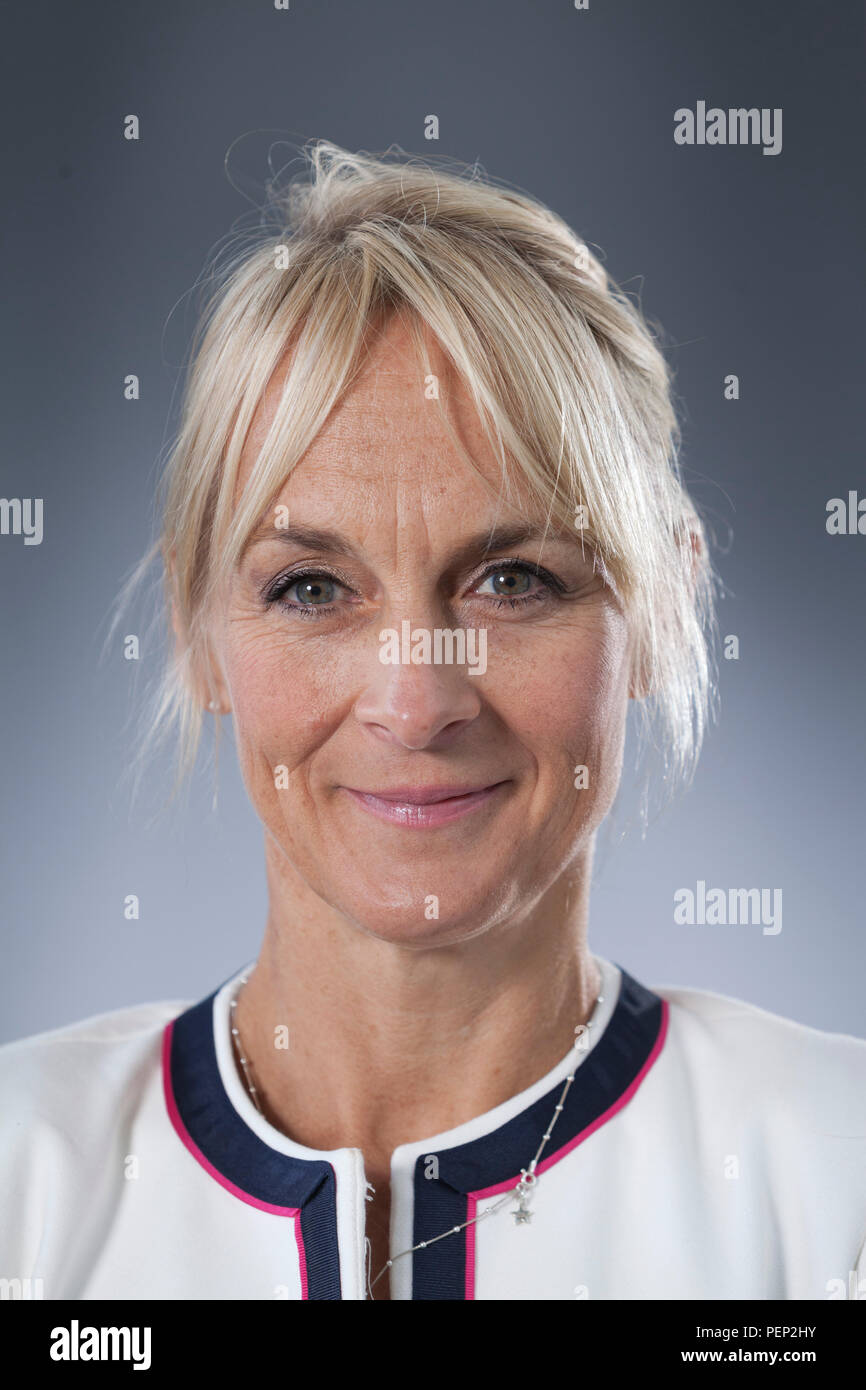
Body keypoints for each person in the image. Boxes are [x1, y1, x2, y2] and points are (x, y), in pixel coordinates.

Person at [1, 141, 863, 1301]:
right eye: (311, 588)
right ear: (198, 632)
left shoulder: (830, 1176)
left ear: (658, 611)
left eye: (512, 579)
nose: (414, 704)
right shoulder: (23, 1181)